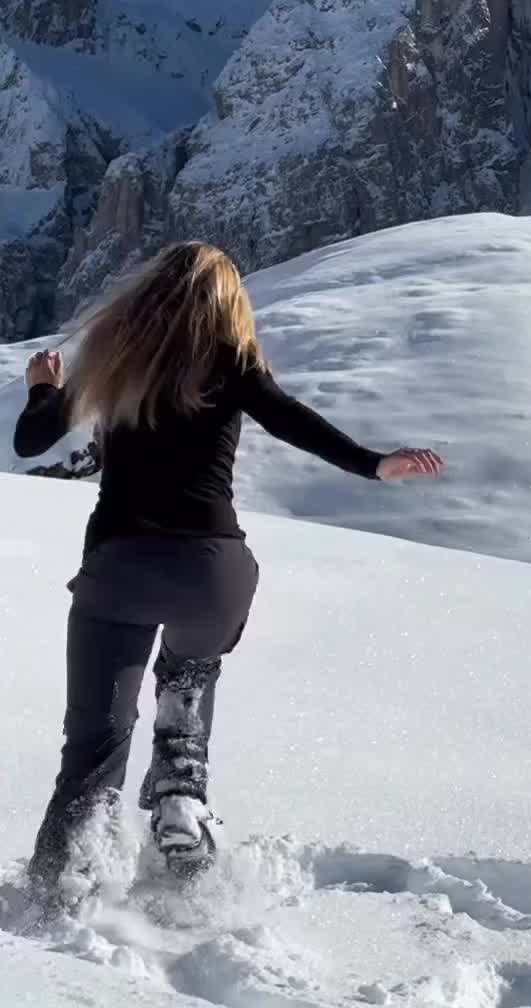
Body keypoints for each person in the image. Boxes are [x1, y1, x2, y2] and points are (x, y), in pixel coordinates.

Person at [13, 240, 443, 897]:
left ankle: (59, 885)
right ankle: (181, 796)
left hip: (118, 568)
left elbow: (31, 439)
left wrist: (45, 387)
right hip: (213, 572)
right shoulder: (230, 362)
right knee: (189, 670)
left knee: (96, 744)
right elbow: (294, 419)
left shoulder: (116, 360)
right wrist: (372, 463)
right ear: (226, 304)